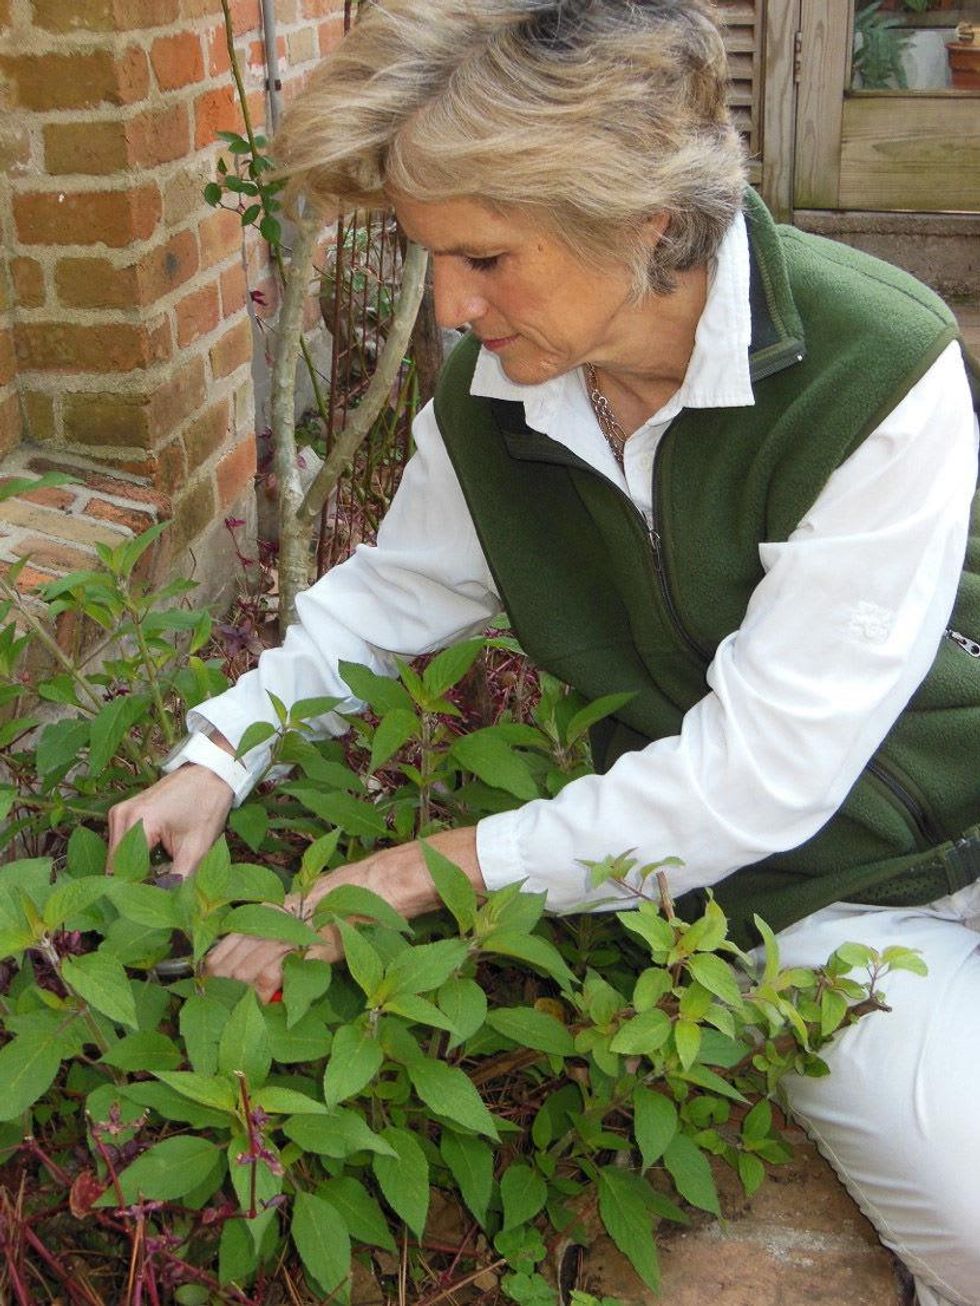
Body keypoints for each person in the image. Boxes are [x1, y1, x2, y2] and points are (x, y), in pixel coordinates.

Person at [108, 2, 980, 1302]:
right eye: (431, 260)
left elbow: (762, 764)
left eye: (485, 258)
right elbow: (396, 591)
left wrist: (415, 870)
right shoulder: (502, 391)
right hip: (811, 894)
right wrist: (220, 755)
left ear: (640, 218)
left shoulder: (874, 360)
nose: (452, 311)